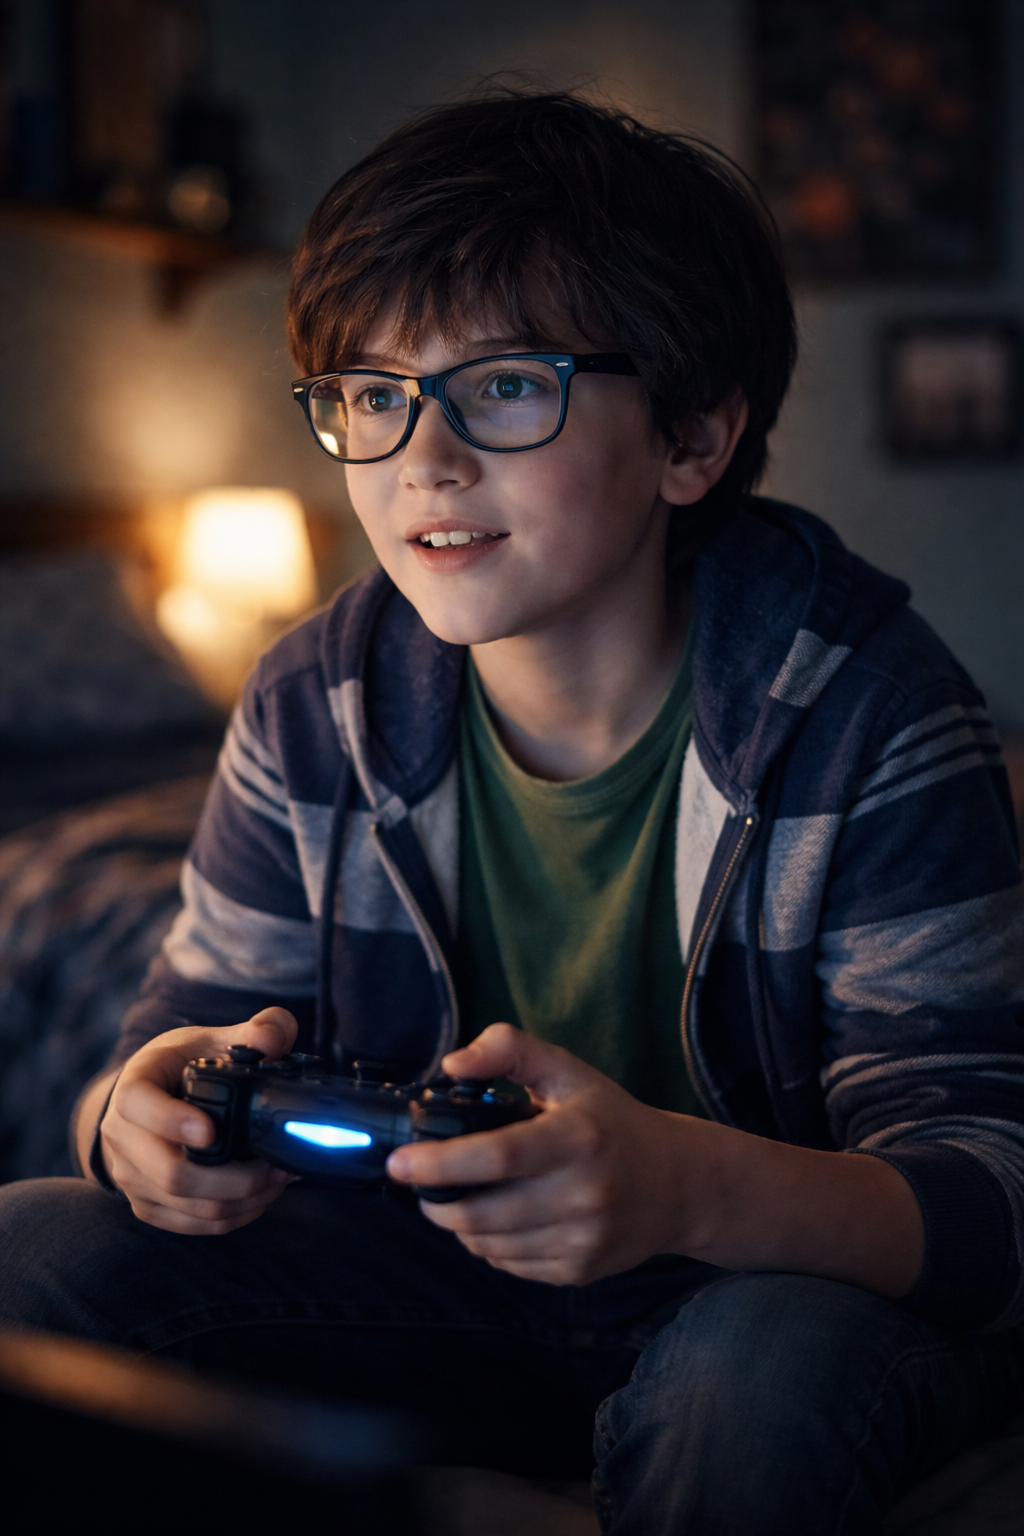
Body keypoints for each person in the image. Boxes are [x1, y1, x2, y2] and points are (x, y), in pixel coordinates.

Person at [1, 90, 1023, 1535]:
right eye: (370, 392)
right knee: (31, 1241)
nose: (422, 454)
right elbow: (162, 1042)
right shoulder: (312, 701)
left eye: (503, 385)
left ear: (694, 437)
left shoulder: (870, 709)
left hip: (764, 1289)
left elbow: (994, 1194)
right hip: (443, 1284)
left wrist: (679, 1192)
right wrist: (136, 1121)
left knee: (756, 1381)